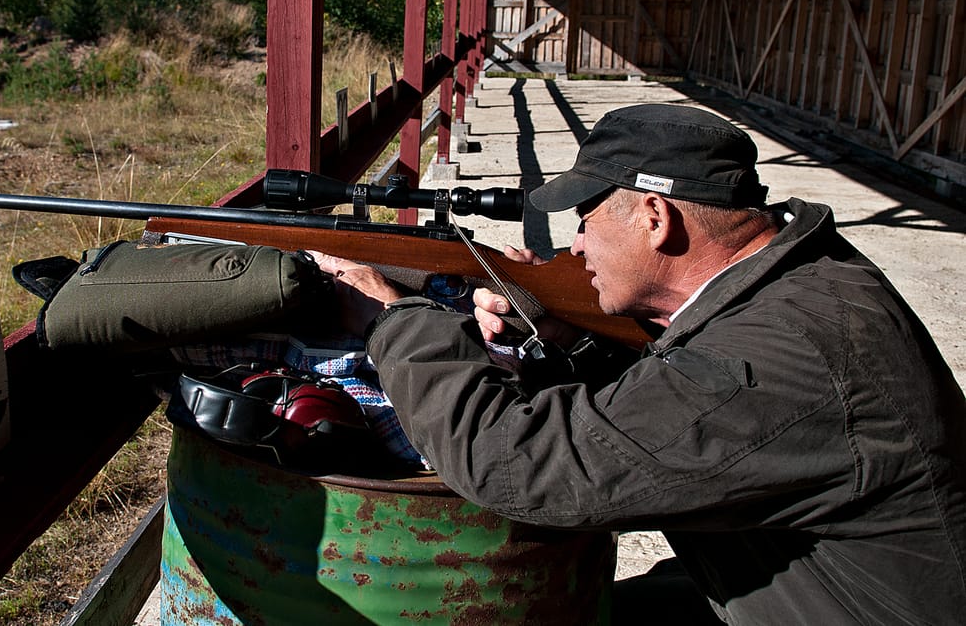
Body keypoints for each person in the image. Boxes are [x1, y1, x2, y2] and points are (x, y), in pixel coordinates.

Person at [310, 103, 966, 624]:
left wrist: (392, 317)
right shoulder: (803, 282)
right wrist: (568, 336)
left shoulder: (778, 359)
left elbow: (519, 467)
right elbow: (670, 401)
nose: (577, 243)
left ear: (654, 217)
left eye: (587, 218)